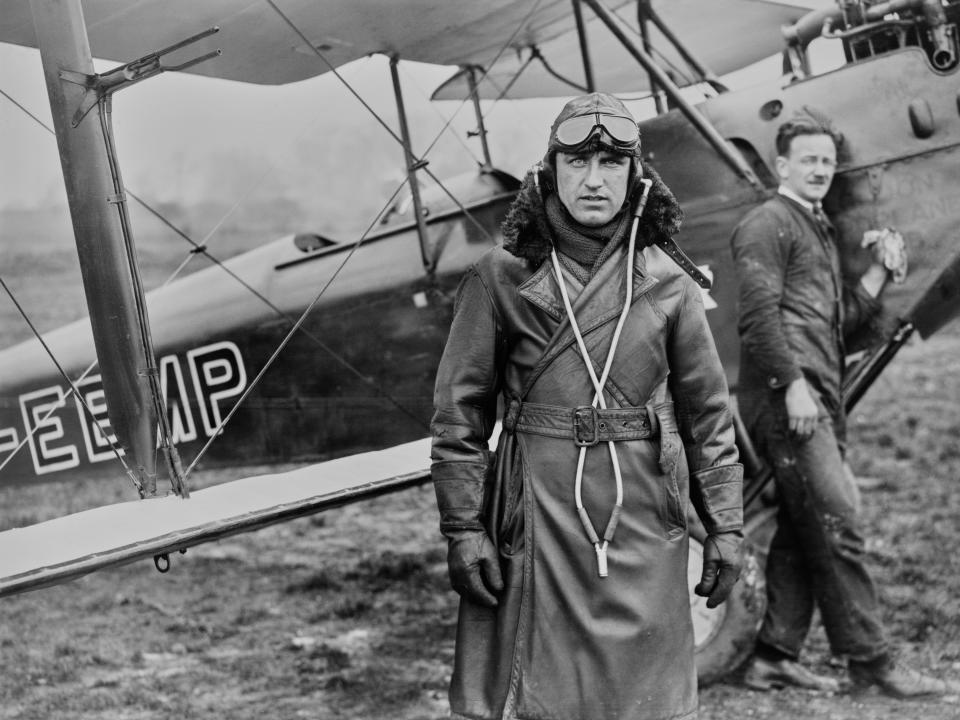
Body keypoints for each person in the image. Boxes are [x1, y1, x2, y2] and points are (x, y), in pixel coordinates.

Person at [430, 92, 744, 720]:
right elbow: (458, 416)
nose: (594, 180)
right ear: (550, 171)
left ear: (635, 177)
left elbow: (708, 415)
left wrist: (727, 526)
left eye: (611, 163)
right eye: (577, 162)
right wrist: (465, 528)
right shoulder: (499, 277)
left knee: (641, 699)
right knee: (544, 695)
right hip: (537, 510)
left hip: (643, 511)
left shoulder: (669, 282)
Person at [731, 113, 952, 698]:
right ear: (782, 165)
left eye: (828, 161)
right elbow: (755, 319)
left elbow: (835, 328)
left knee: (803, 529)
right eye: (809, 160)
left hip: (817, 399)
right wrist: (793, 385)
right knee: (839, 523)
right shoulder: (766, 224)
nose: (821, 170)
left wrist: (878, 274)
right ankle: (873, 664)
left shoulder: (815, 228)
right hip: (789, 401)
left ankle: (773, 656)